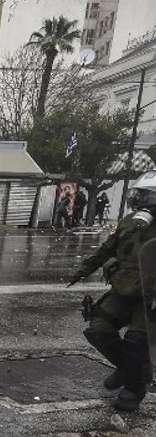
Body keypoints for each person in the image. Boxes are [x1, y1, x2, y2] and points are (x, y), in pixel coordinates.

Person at [70, 171, 156, 412]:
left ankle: (135, 386)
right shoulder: (129, 221)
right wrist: (85, 269)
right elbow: (108, 248)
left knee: (136, 341)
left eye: (146, 195)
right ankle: (130, 368)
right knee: (98, 330)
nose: (139, 199)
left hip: (150, 295)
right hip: (123, 286)